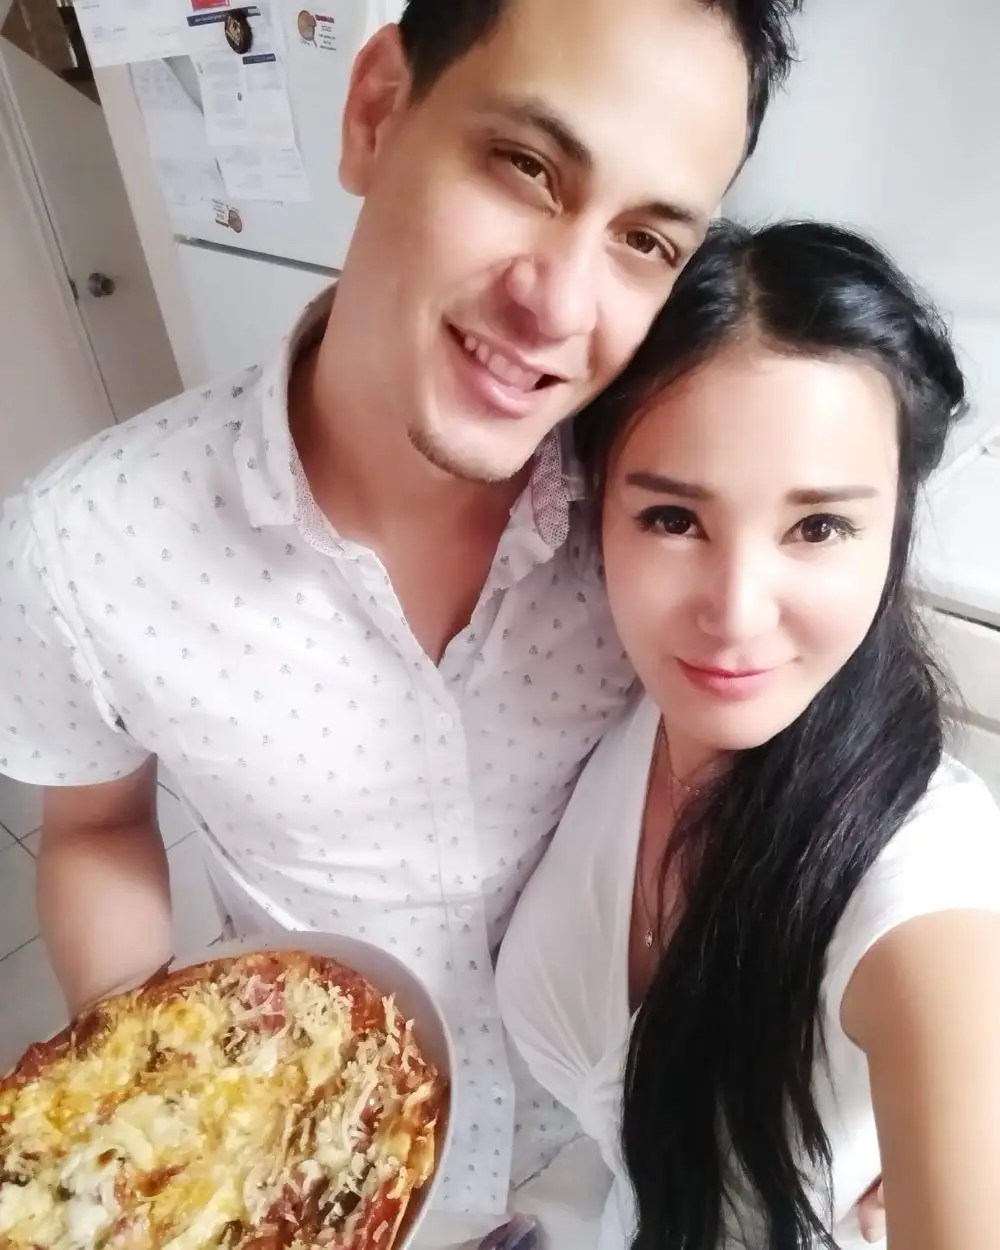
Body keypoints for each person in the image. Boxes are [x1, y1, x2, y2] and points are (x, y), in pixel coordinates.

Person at [0, 0, 803, 1239]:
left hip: (603, 1133)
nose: (558, 305)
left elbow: (835, 758)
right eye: (525, 165)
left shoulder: (663, 516)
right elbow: (96, 824)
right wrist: (168, 1109)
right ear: (376, 110)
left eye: (644, 239)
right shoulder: (83, 543)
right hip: (302, 1143)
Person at [497, 220, 1000, 1250]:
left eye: (818, 527)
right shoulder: (616, 706)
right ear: (597, 512)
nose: (733, 613)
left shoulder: (920, 876)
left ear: (893, 531)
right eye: (673, 519)